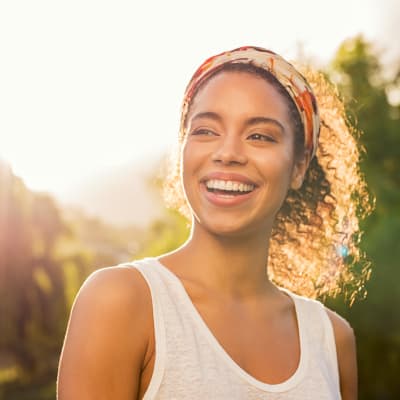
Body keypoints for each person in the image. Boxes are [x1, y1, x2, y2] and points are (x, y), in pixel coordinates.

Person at [57, 46, 370, 399]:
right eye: (206, 131)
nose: (228, 153)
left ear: (298, 166)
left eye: (260, 136)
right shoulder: (120, 302)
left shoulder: (332, 339)